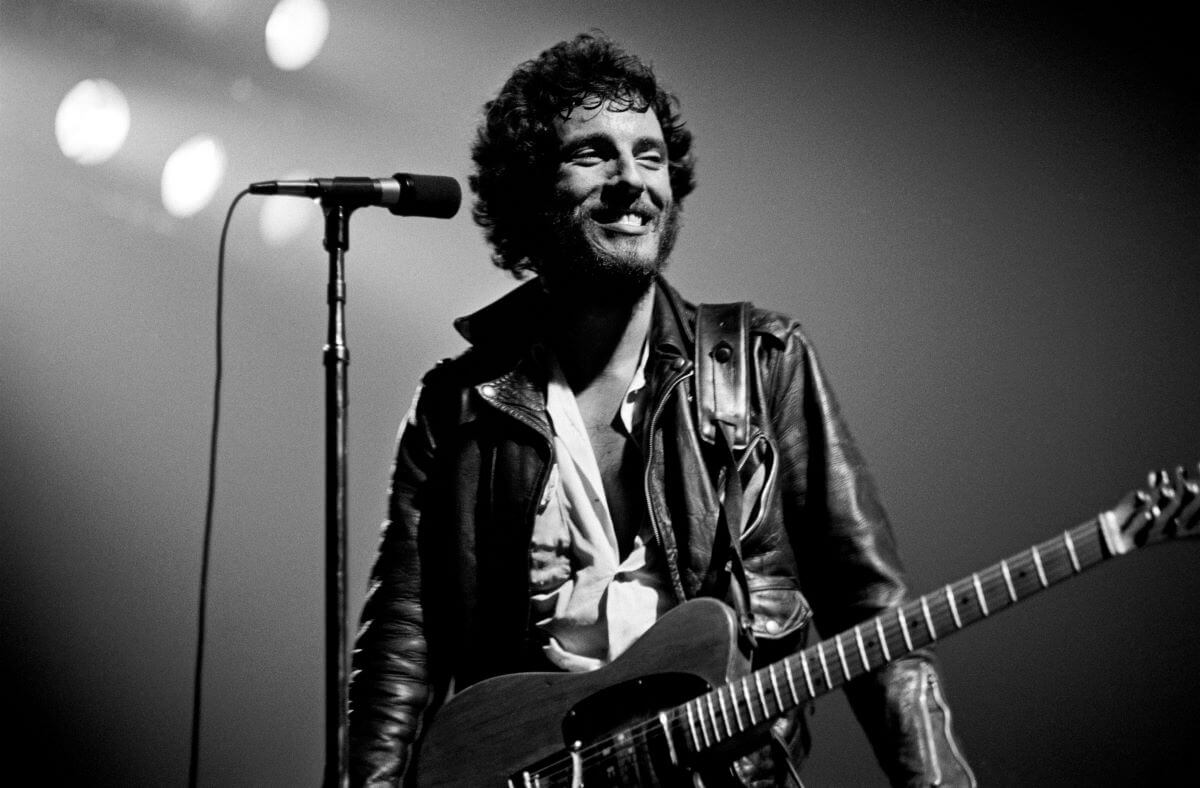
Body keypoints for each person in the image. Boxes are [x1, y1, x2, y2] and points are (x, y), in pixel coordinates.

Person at [348, 32, 975, 787]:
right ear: (527, 191)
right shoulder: (457, 409)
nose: (631, 181)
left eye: (650, 156)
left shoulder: (760, 365)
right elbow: (399, 652)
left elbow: (875, 614)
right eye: (593, 155)